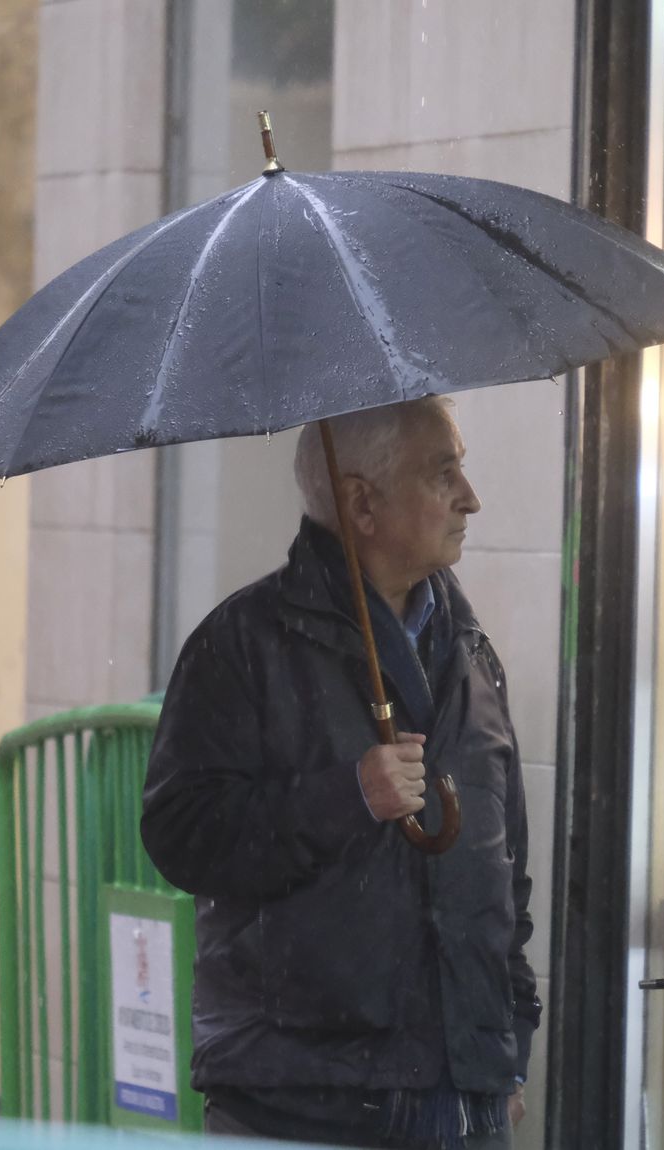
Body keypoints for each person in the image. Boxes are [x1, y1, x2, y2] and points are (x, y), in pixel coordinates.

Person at [141, 396, 539, 1149]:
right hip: (300, 1102)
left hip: (465, 1102)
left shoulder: (470, 654)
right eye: (443, 473)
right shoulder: (242, 646)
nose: (471, 498)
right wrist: (346, 796)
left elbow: (504, 873)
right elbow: (181, 835)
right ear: (363, 503)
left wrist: (506, 1045)